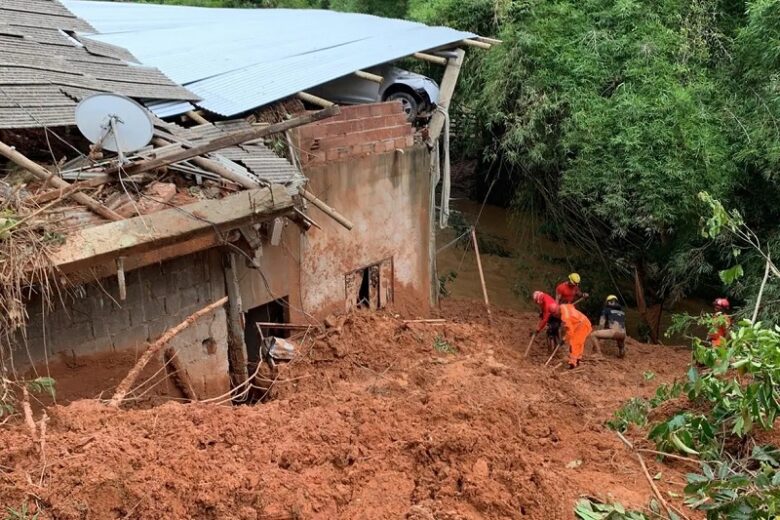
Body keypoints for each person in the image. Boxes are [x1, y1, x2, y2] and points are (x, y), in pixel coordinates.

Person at [557, 303, 593, 369]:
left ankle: (572, 364)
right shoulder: (564, 307)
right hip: (582, 323)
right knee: (579, 343)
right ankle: (578, 359)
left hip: (582, 325)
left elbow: (570, 332)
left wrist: (564, 339)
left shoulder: (565, 317)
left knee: (574, 343)